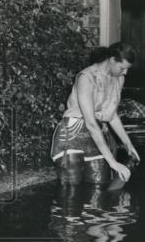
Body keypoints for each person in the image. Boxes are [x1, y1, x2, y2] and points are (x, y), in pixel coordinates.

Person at [50, 43, 140, 186]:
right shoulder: (86, 78)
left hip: (96, 136)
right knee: (71, 192)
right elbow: (90, 123)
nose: (125, 73)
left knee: (100, 187)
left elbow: (112, 115)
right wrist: (113, 162)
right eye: (122, 68)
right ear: (111, 60)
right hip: (73, 135)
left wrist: (128, 144)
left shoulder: (119, 78)